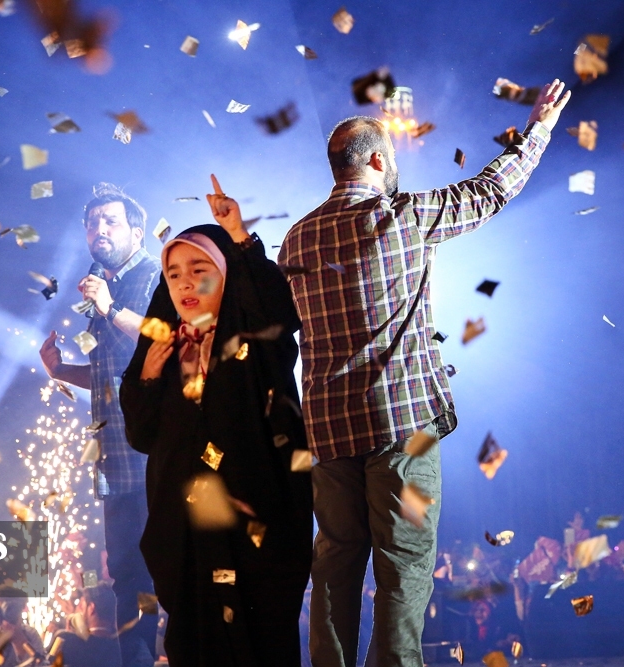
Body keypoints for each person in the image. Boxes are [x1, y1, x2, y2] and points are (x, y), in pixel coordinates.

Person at [278, 79, 571, 667]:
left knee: (335, 560)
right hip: (403, 433)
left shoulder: (295, 239)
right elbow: (491, 190)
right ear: (376, 161)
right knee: (405, 561)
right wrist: (537, 129)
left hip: (328, 437)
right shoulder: (404, 216)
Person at [119, 175, 313, 666]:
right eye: (173, 274)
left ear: (227, 275)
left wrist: (238, 237)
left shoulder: (255, 339)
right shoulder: (160, 353)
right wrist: (147, 378)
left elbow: (279, 311)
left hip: (256, 524)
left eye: (199, 268)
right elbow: (140, 436)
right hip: (185, 533)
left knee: (259, 642)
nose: (185, 282)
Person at [38, 183, 161, 666]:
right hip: (117, 457)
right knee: (128, 579)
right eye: (92, 223)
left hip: (156, 453)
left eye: (110, 221)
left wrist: (110, 307)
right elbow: (112, 373)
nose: (99, 229)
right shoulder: (100, 284)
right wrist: (61, 371)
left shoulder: (155, 275)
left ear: (137, 231)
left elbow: (163, 343)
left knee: (171, 570)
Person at [49, 583, 122, 667]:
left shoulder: (66, 640)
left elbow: (47, 663)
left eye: (81, 606)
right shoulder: (121, 648)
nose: (78, 612)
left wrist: (69, 636)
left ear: (91, 608)